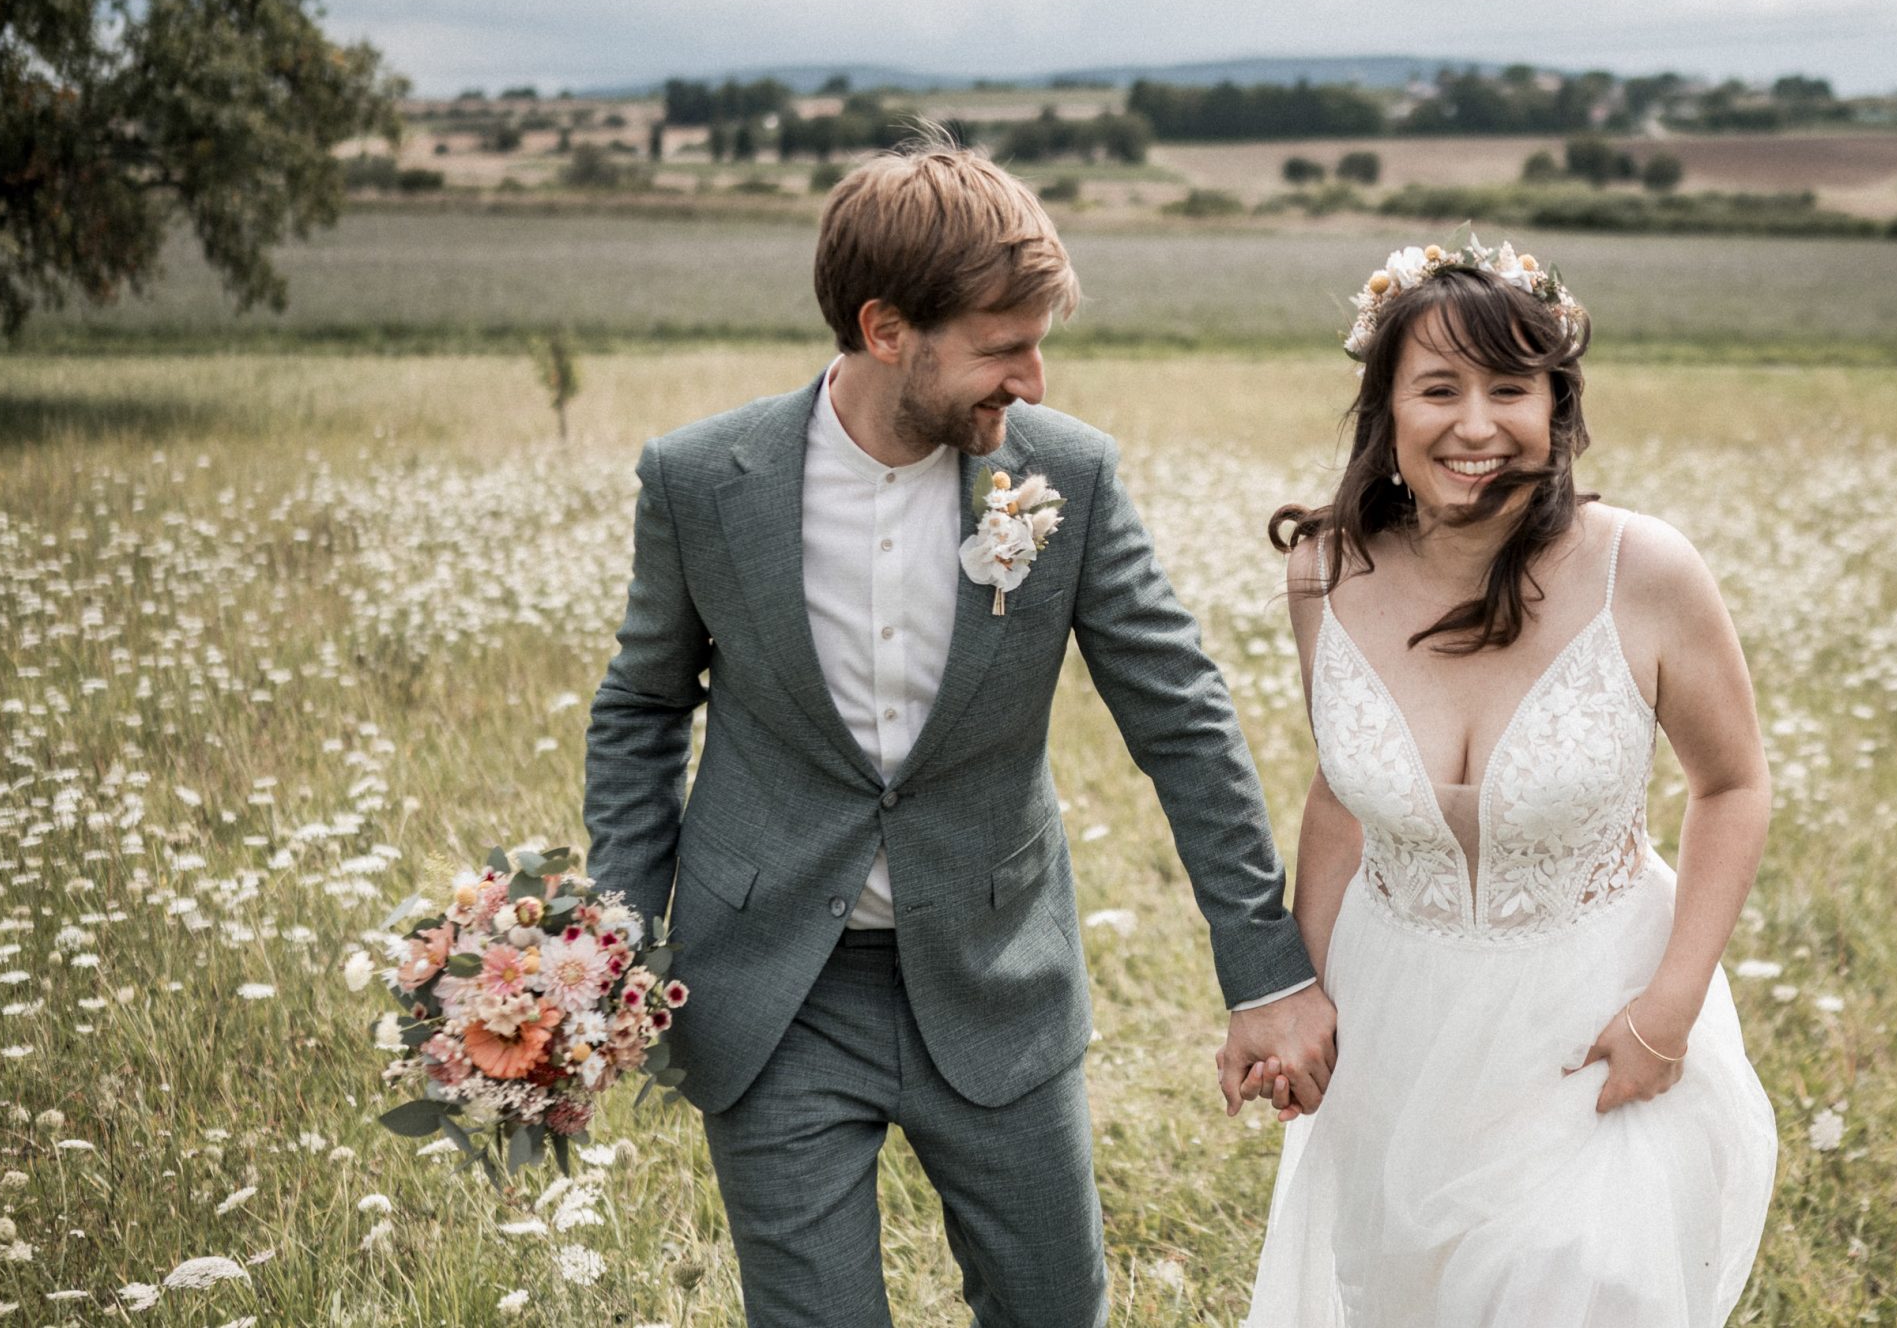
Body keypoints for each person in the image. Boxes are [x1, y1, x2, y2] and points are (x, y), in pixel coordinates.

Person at [582, 141, 1337, 1328]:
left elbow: (1181, 719)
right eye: (1001, 347)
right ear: (887, 330)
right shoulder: (698, 482)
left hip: (996, 981)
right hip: (773, 992)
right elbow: (639, 708)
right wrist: (607, 948)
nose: (1032, 380)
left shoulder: (1068, 479)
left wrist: (1266, 971)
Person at [1244, 235, 1778, 1325]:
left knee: (1575, 1288)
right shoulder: (1325, 573)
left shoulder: (1648, 571)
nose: (1476, 424)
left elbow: (1732, 787)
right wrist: (1305, 995)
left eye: (1511, 389)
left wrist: (1667, 1012)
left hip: (1595, 1026)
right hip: (1400, 1024)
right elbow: (1340, 793)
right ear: (1386, 412)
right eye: (1438, 388)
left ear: (1557, 410)